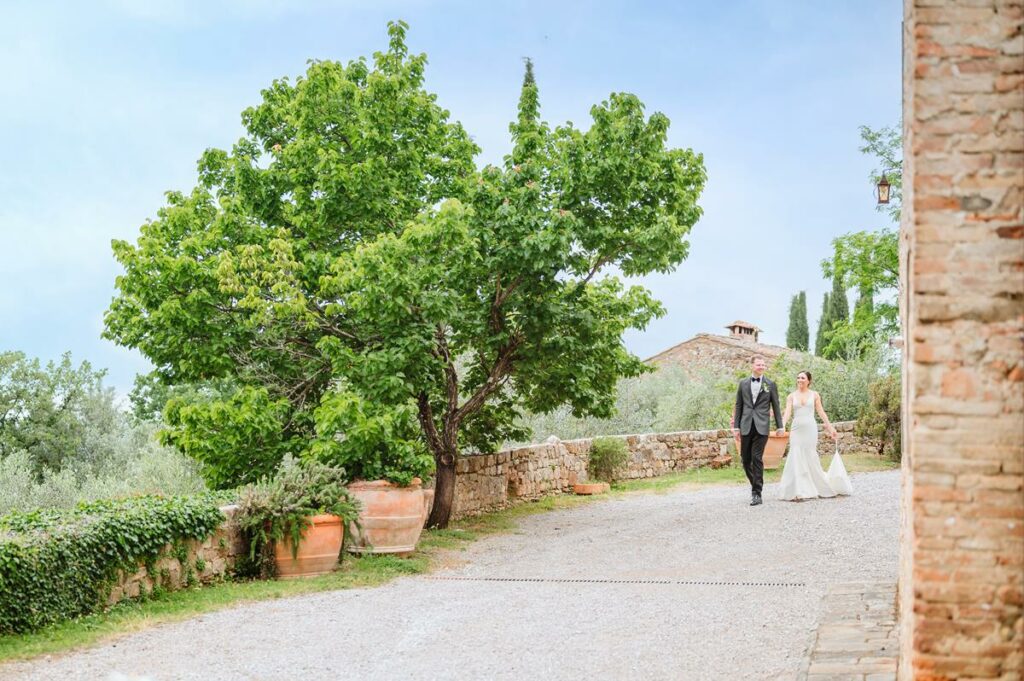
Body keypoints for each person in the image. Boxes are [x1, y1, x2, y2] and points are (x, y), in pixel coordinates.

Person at [777, 370, 851, 501]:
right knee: (796, 454)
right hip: (796, 429)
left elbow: (821, 412)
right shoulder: (791, 396)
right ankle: (798, 490)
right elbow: (787, 413)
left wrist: (830, 427)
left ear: (808, 381)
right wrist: (781, 426)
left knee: (810, 455)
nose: (800, 380)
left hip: (810, 429)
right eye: (798, 377)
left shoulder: (815, 395)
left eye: (803, 378)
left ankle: (816, 486)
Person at [732, 355, 783, 506]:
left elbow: (776, 406)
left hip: (762, 426)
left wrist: (780, 426)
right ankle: (755, 484)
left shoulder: (770, 384)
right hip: (746, 425)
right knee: (745, 459)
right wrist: (736, 427)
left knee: (756, 457)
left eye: (763, 365)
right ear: (752, 366)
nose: (761, 367)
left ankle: (756, 493)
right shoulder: (743, 384)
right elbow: (739, 405)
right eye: (758, 364)